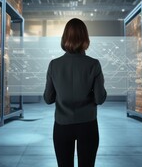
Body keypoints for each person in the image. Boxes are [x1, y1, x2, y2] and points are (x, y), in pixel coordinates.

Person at [43, 18, 107, 167]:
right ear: (85, 38)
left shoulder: (54, 65)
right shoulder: (94, 64)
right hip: (88, 125)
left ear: (65, 38)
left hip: (62, 125)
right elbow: (100, 99)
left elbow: (48, 98)